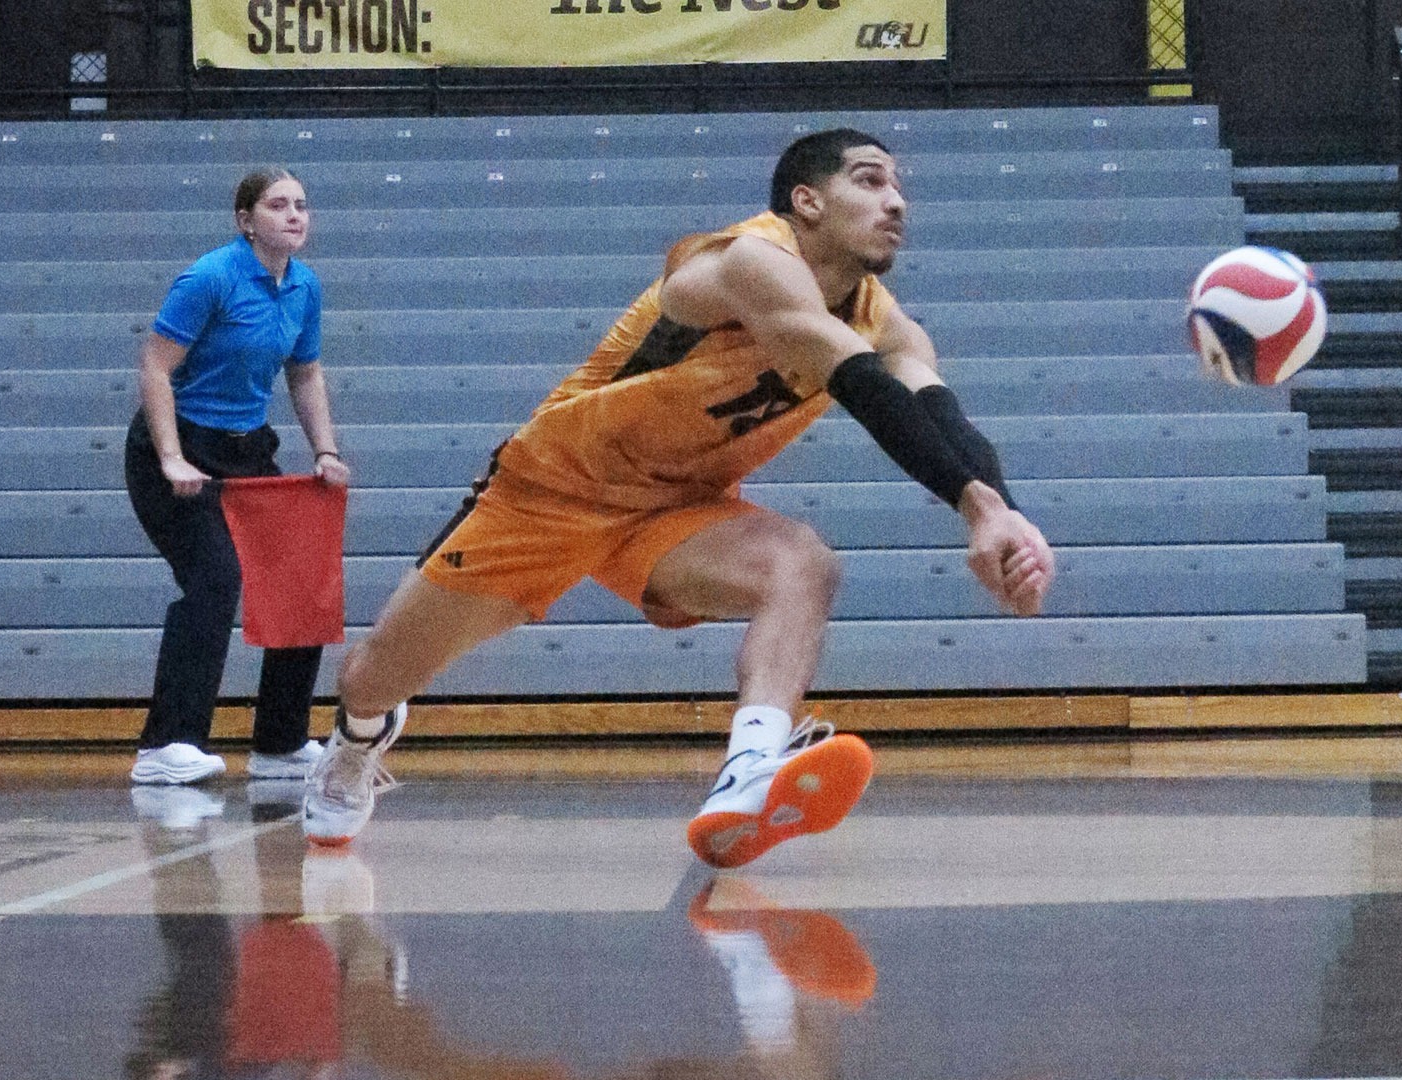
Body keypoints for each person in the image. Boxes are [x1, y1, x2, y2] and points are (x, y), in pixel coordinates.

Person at [302, 130, 1056, 865]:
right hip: (550, 491)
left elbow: (936, 412)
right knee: (375, 674)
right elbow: (857, 383)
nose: (895, 200)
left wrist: (1005, 516)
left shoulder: (882, 318)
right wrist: (975, 508)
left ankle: (751, 769)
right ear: (808, 201)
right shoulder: (747, 261)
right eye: (869, 179)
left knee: (803, 564)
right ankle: (357, 741)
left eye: (898, 185)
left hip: (676, 508)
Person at [124, 167, 350, 786]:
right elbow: (154, 367)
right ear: (246, 220)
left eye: (302, 204)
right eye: (278, 205)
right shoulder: (211, 277)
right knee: (214, 580)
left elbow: (304, 373)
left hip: (248, 451)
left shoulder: (303, 286)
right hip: (177, 447)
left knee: (301, 580)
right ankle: (165, 746)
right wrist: (172, 457)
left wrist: (325, 451)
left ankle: (279, 743)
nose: (294, 215)